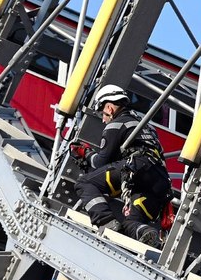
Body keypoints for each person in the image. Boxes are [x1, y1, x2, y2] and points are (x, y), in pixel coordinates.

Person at [72, 84, 171, 248]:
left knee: (84, 183)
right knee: (131, 223)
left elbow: (100, 162)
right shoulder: (145, 126)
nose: (103, 119)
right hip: (159, 182)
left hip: (137, 167)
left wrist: (84, 152)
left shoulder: (116, 124)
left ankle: (106, 222)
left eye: (102, 113)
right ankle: (147, 234)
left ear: (109, 108)